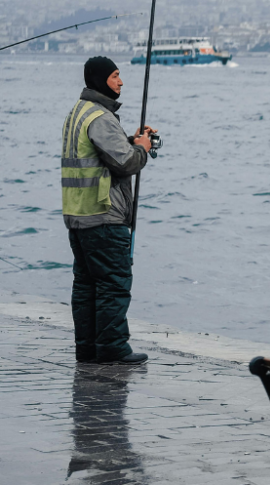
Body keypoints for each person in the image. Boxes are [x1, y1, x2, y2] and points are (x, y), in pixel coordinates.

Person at [62, 56, 156, 365]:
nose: (121, 82)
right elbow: (126, 163)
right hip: (105, 216)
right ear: (103, 80)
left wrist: (131, 140)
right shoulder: (101, 117)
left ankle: (88, 349)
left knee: (87, 286)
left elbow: (100, 153)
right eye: (116, 76)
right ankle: (113, 348)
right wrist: (141, 148)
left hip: (78, 216)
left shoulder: (78, 112)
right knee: (114, 284)